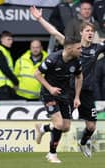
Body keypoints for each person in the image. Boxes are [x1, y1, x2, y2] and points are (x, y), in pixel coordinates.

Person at [30, 6, 105, 158]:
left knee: (91, 126)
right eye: (87, 31)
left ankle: (83, 143)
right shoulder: (70, 45)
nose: (90, 33)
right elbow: (53, 32)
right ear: (81, 33)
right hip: (69, 90)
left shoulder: (97, 48)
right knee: (64, 127)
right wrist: (39, 18)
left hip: (87, 91)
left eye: (92, 31)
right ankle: (50, 147)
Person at [34, 36, 83, 163]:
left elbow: (79, 76)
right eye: (79, 48)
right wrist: (50, 88)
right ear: (69, 48)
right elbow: (37, 74)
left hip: (65, 95)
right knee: (59, 124)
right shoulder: (53, 59)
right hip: (49, 94)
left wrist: (77, 96)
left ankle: (43, 129)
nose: (81, 50)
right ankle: (52, 154)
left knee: (65, 127)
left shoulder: (76, 60)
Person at [0, 31, 19, 100]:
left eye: (11, 40)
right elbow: (5, 69)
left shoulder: (5, 51)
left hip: (6, 86)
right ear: (2, 40)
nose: (11, 42)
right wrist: (16, 81)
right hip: (2, 86)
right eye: (8, 39)